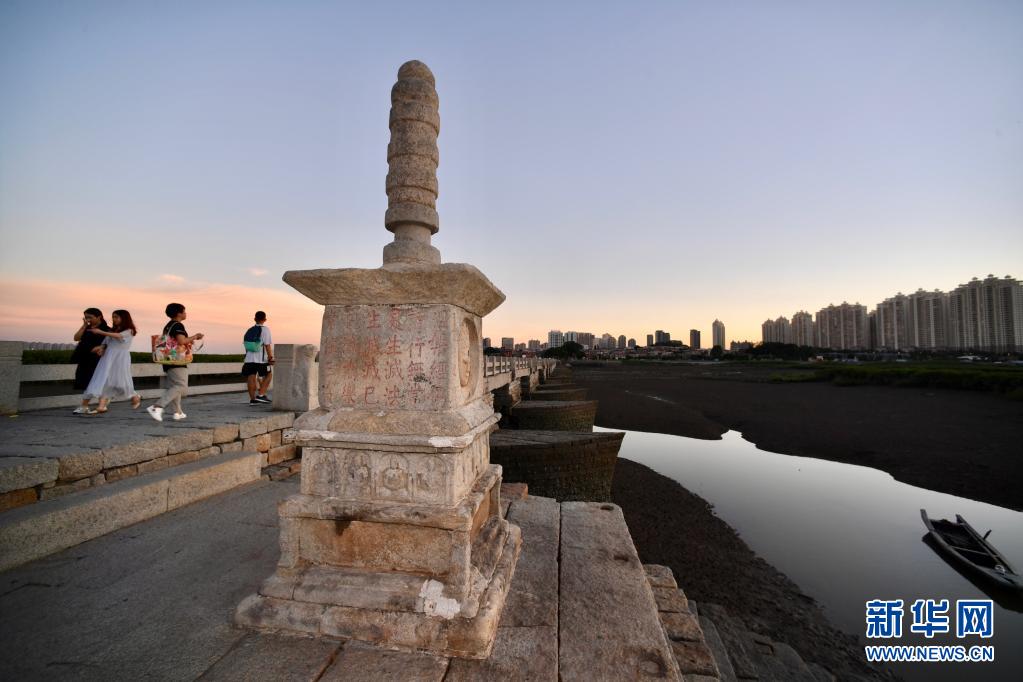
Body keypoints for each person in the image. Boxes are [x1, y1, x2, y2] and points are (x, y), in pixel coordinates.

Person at [147, 303, 203, 422]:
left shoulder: (169, 325)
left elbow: (174, 341)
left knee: (174, 386)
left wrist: (189, 340)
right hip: (177, 360)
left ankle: (178, 412)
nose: (185, 313)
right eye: (184, 311)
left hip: (168, 359)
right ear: (179, 313)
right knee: (181, 386)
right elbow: (181, 341)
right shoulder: (178, 325)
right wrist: (195, 336)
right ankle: (157, 406)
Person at [79, 310, 141, 414]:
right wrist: (101, 348)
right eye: (113, 317)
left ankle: (134, 396)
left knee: (121, 380)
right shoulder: (113, 330)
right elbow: (106, 342)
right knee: (105, 379)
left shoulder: (129, 331)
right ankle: (101, 406)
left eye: (116, 317)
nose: (114, 319)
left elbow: (119, 336)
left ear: (124, 318)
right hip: (108, 357)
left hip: (120, 358)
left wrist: (101, 332)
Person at [71, 308, 110, 413]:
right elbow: (76, 338)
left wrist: (102, 347)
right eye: (86, 317)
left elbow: (111, 344)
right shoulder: (87, 328)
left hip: (97, 359)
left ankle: (86, 406)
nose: (88, 319)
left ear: (99, 317)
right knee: (86, 380)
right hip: (84, 357)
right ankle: (101, 404)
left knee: (93, 381)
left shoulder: (106, 329)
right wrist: (84, 326)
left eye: (90, 317)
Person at [242, 311, 274, 405]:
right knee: (269, 375)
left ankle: (253, 400)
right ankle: (261, 395)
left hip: (249, 359)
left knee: (251, 377)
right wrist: (270, 357)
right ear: (265, 319)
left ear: (255, 319)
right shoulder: (265, 330)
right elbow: (267, 345)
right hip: (261, 360)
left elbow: (246, 345)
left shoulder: (250, 330)